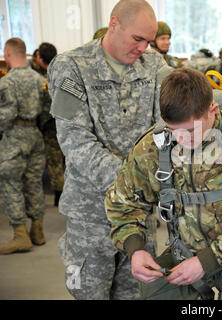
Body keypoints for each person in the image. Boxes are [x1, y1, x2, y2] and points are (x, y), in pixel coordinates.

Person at [105, 67, 222, 300]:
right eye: (174, 130)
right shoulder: (154, 145)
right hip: (182, 255)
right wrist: (135, 249)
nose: (181, 140)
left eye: (191, 130)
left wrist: (207, 261)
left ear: (213, 110)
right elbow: (122, 202)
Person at [47, 0, 172, 300]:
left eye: (149, 41)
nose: (144, 48)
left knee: (137, 294)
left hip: (139, 216)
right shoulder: (71, 67)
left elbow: (171, 121)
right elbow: (75, 142)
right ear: (114, 24)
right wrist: (135, 182)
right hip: (91, 215)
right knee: (89, 293)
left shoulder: (154, 66)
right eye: (137, 39)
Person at [0, 38, 47, 254]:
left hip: (15, 137)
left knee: (10, 182)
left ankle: (20, 235)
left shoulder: (6, 82)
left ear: (7, 54)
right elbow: (48, 108)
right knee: (34, 181)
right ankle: (38, 231)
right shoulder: (39, 78)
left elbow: (6, 114)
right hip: (36, 135)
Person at [34, 42, 64, 207]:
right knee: (58, 158)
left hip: (48, 123)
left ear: (39, 56)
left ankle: (59, 193)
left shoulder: (40, 77)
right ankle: (59, 192)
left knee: (54, 159)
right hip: (59, 120)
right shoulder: (61, 70)